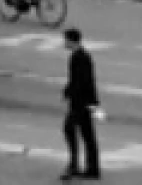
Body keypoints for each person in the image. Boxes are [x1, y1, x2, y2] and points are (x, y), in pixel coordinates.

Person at [61, 28, 101, 181]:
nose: (64, 43)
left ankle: (74, 165)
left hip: (80, 103)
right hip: (86, 102)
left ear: (72, 40)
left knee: (70, 129)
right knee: (87, 135)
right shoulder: (82, 55)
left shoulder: (79, 58)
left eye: (66, 40)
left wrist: (70, 92)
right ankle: (92, 168)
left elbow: (81, 81)